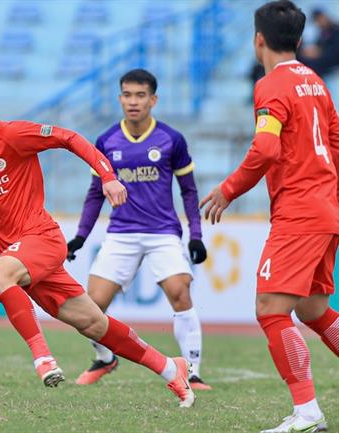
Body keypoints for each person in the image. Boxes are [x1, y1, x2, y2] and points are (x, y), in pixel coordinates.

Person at [0, 71, 196, 407]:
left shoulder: (13, 135)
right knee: (92, 323)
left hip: (41, 238)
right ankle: (170, 368)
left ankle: (43, 358)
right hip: (18, 254)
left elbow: (70, 138)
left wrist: (108, 176)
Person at [200, 1, 339, 431]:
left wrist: (228, 190)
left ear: (258, 39)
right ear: (299, 40)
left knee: (270, 308)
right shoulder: (314, 80)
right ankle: (306, 410)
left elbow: (266, 148)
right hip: (326, 207)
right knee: (314, 308)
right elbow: (335, 139)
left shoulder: (272, 86)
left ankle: (306, 411)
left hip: (300, 212)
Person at [66, 68, 211, 390]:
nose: (134, 102)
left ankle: (193, 371)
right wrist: (80, 237)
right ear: (120, 98)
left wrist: (196, 235)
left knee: (180, 292)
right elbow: (95, 193)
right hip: (121, 234)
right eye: (128, 95)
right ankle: (105, 357)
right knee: (89, 306)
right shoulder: (106, 140)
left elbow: (189, 190)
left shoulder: (172, 139)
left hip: (162, 233)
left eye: (140, 95)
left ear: (153, 99)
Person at [298, 8, 339, 77]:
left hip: (331, 61)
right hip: (324, 58)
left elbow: (335, 51)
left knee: (310, 64)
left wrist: (319, 52)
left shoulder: (336, 30)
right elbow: (318, 45)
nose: (318, 23)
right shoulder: (324, 32)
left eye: (318, 20)